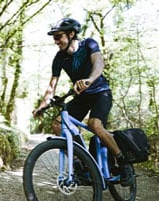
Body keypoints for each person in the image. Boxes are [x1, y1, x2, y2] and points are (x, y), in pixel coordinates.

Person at [32, 18, 133, 186]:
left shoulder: (89, 45)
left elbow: (99, 64)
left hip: (101, 93)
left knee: (95, 124)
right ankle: (83, 165)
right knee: (57, 125)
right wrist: (42, 105)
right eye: (54, 38)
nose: (56, 41)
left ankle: (123, 162)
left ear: (71, 34)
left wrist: (89, 80)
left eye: (58, 37)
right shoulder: (59, 58)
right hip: (81, 97)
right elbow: (52, 86)